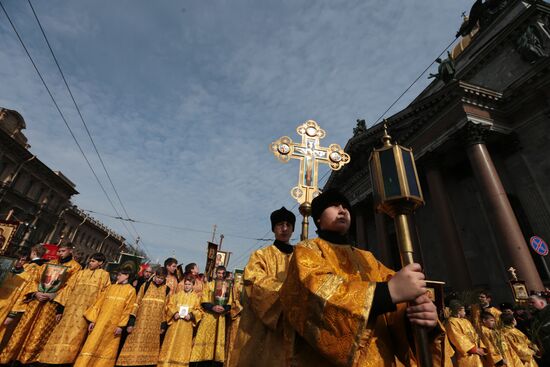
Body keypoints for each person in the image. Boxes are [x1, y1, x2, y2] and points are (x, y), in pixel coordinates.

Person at [279, 189, 449, 366]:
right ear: (318, 219)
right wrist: (388, 292)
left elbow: (395, 309)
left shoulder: (368, 259)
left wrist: (415, 316)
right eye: (334, 205)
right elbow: (314, 292)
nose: (342, 210)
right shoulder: (307, 249)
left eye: (345, 207)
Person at [228, 206, 296, 366]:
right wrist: (288, 294)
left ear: (293, 228)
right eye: (280, 224)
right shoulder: (260, 255)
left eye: (288, 224)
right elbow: (253, 281)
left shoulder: (301, 256)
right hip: (264, 326)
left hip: (293, 325)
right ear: (274, 228)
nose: (284, 228)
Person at [0, 242, 81, 364]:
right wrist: (35, 293)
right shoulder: (49, 263)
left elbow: (70, 286)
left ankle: (30, 359)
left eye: (63, 251)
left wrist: (54, 295)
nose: (60, 253)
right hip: (36, 300)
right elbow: (35, 279)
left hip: (51, 303)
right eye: (59, 251)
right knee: (22, 328)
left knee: (40, 331)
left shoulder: (75, 267)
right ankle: (12, 356)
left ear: (70, 251)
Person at [38, 252, 111, 365]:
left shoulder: (104, 275)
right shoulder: (80, 273)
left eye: (93, 261)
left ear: (100, 263)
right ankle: (51, 360)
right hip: (69, 311)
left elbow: (103, 297)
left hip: (85, 314)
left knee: (76, 338)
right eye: (90, 260)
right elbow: (68, 290)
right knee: (60, 334)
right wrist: (60, 310)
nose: (90, 262)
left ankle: (67, 362)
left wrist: (94, 316)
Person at [73, 268, 137, 367]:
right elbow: (99, 303)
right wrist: (93, 320)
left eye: (120, 274)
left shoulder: (131, 290)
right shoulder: (110, 287)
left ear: (127, 276)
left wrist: (121, 326)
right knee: (90, 345)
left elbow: (128, 310)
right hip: (99, 323)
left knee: (106, 349)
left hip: (113, 326)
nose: (117, 277)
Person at [117, 267, 170, 366]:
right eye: (158, 277)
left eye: (162, 278)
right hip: (139, 325)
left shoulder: (167, 290)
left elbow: (165, 309)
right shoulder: (145, 286)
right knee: (133, 350)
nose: (159, 280)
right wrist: (131, 322)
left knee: (149, 357)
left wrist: (163, 325)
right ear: (154, 275)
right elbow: (136, 303)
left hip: (154, 327)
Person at [190, 265, 232, 366]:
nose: (221, 275)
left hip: (220, 318)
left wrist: (224, 308)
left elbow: (229, 302)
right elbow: (203, 300)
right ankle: (203, 362)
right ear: (215, 273)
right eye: (219, 273)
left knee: (217, 343)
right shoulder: (209, 285)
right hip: (209, 316)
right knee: (205, 339)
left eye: (223, 273)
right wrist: (212, 307)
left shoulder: (227, 286)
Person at [158, 276, 203, 367]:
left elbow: (200, 311)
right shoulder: (176, 295)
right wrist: (174, 313)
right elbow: (169, 306)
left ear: (193, 285)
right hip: (174, 324)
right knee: (170, 344)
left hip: (186, 326)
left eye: (189, 284)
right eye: (185, 284)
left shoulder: (196, 298)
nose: (187, 286)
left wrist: (191, 315)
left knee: (182, 346)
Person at [0, 248, 33, 350]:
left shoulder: (27, 277)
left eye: (23, 260)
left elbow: (22, 296)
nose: (19, 262)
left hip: (6, 310)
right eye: (18, 259)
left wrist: (12, 314)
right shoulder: (3, 271)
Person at [445, 300, 486, 367]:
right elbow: (458, 338)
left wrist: (481, 347)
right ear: (458, 310)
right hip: (464, 355)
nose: (465, 312)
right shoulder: (451, 322)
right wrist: (474, 349)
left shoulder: (466, 321)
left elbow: (475, 335)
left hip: (476, 354)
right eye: (463, 310)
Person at [529, 294, 550, 365]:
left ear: (541, 303)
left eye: (532, 302)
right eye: (529, 303)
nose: (530, 305)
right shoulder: (534, 318)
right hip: (545, 351)